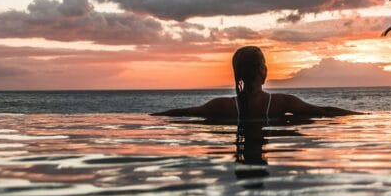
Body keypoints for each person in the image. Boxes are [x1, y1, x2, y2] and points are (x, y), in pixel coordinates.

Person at [153, 46, 358, 121]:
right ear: (262, 71)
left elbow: (181, 112)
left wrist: (153, 116)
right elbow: (324, 111)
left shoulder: (221, 106)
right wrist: (361, 116)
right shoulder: (281, 103)